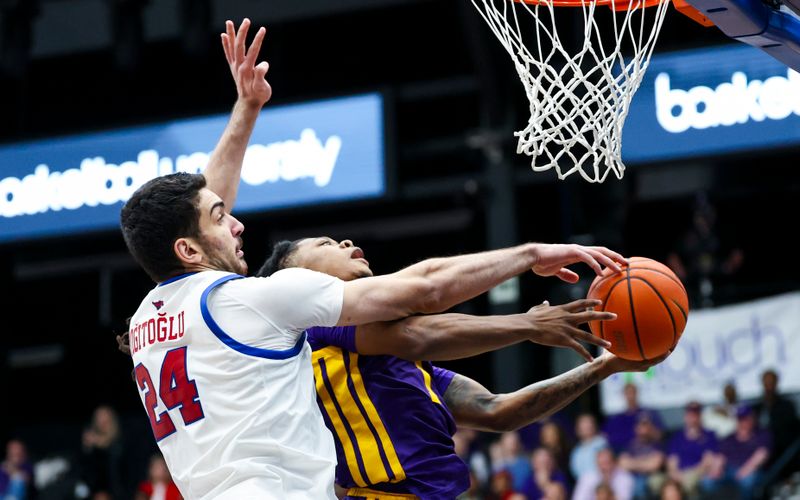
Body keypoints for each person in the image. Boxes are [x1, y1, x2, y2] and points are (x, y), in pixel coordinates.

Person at [120, 19, 634, 500]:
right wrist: (529, 256)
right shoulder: (262, 302)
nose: (236, 222)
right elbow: (425, 292)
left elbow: (198, 214)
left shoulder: (150, 317)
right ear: (187, 250)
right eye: (220, 219)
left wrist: (247, 108)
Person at [258, 237, 669, 498]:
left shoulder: (392, 367)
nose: (346, 241)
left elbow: (497, 411)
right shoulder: (317, 331)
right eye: (326, 244)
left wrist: (607, 367)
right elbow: (420, 326)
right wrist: (526, 322)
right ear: (296, 279)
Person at [666, 401, 719, 497]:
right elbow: (672, 462)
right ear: (685, 416)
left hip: (698, 474)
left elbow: (708, 462)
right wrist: (676, 474)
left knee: (689, 483)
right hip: (678, 474)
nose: (693, 417)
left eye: (696, 414)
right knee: (665, 486)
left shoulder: (709, 435)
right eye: (690, 414)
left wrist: (690, 475)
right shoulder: (677, 437)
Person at [717, 405, 771, 500]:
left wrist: (745, 470)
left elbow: (762, 454)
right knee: (708, 481)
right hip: (729, 471)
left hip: (752, 471)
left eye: (745, 418)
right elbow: (721, 456)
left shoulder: (762, 434)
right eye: (740, 419)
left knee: (747, 481)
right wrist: (716, 468)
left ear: (752, 418)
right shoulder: (730, 438)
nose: (743, 422)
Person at [754, 369, 799, 469]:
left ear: (776, 383)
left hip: (781, 452)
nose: (769, 387)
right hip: (761, 451)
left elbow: (790, 432)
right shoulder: (757, 407)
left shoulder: (786, 406)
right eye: (767, 383)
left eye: (771, 383)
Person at [603, 383, 664, 453]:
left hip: (649, 452)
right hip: (628, 455)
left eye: (632, 392)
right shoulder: (617, 419)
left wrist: (649, 430)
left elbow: (659, 435)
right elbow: (606, 437)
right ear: (624, 395)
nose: (630, 396)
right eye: (628, 393)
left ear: (637, 393)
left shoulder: (649, 414)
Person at [618, 412, 666, 499]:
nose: (642, 428)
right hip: (634, 477)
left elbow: (655, 465)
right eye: (640, 424)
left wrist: (634, 463)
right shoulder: (631, 445)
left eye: (645, 425)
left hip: (651, 477)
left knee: (651, 482)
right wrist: (645, 462)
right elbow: (623, 463)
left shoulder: (657, 443)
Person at [570, 413, 609, 480]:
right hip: (583, 481)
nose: (587, 426)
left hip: (601, 479)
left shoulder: (601, 442)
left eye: (589, 423)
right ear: (578, 429)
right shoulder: (576, 450)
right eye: (584, 425)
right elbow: (574, 470)